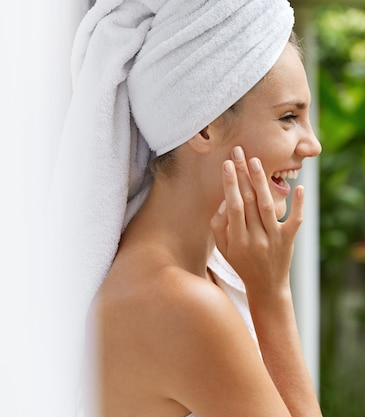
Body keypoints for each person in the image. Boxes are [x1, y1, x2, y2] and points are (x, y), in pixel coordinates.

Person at [49, 0, 323, 416]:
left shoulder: (189, 279)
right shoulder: (181, 305)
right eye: (288, 118)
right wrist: (272, 297)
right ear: (204, 125)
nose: (312, 145)